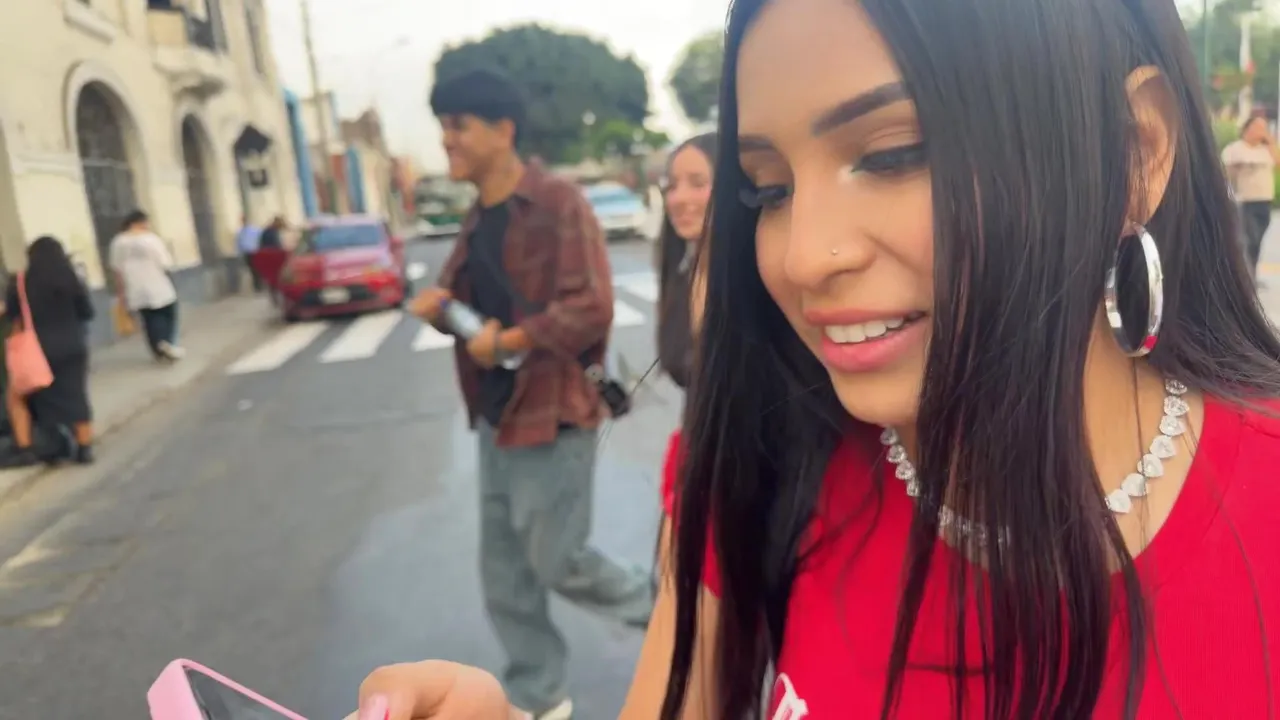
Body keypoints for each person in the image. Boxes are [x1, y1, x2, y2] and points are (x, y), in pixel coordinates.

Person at [356, 0, 1280, 717]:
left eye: (894, 153)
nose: (803, 258)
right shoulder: (761, 472)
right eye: (768, 190)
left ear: (1134, 152)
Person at [406, 67, 653, 720]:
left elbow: (591, 306)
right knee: (505, 575)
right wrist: (443, 311)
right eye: (443, 127)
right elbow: (473, 312)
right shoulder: (477, 216)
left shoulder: (556, 202)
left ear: (502, 130)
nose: (447, 140)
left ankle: (680, 619)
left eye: (458, 126)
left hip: (552, 413)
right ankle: (541, 696)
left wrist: (510, 340)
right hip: (497, 415)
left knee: (559, 562)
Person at [4, 237, 96, 465]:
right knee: (75, 394)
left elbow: (14, 317)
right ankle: (84, 449)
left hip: (38, 349)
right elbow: (87, 312)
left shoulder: (20, 283)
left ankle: (26, 448)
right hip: (73, 346)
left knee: (18, 396)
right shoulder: (71, 279)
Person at [655, 133, 716, 390]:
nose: (678, 199)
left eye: (697, 183)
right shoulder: (682, 278)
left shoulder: (768, 281)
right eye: (671, 186)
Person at [109, 210, 184, 361]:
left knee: (149, 319)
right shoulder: (151, 239)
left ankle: (157, 349)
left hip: (135, 288)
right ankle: (167, 342)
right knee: (168, 314)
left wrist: (121, 292)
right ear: (138, 222)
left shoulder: (118, 242)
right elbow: (165, 263)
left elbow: (117, 269)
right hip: (158, 284)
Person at [1221, 115, 1278, 277]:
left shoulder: (1266, 150)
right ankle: (1245, 275)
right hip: (1245, 201)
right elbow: (1226, 173)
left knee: (1257, 241)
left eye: (1264, 128)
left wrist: (1270, 142)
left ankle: (1251, 273)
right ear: (1248, 128)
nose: (1262, 131)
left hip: (1264, 201)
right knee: (1248, 240)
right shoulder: (1235, 149)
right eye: (1258, 127)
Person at [235, 216, 263, 292]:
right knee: (252, 270)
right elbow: (239, 243)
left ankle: (258, 285)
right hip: (248, 253)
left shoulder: (254, 230)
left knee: (256, 269)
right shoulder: (241, 232)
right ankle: (256, 286)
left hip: (254, 252)